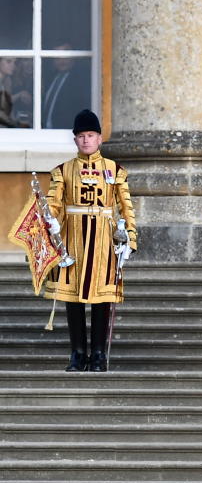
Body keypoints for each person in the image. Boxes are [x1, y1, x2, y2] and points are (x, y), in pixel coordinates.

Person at [43, 109, 137, 372]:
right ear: (75, 140)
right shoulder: (62, 171)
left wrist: (130, 239)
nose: (86, 140)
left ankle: (97, 353)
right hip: (72, 241)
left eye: (91, 135)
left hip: (104, 241)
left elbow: (126, 207)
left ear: (99, 138)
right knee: (72, 298)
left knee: (101, 298)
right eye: (81, 136)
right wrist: (49, 220)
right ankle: (77, 353)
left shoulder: (115, 170)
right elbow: (53, 205)